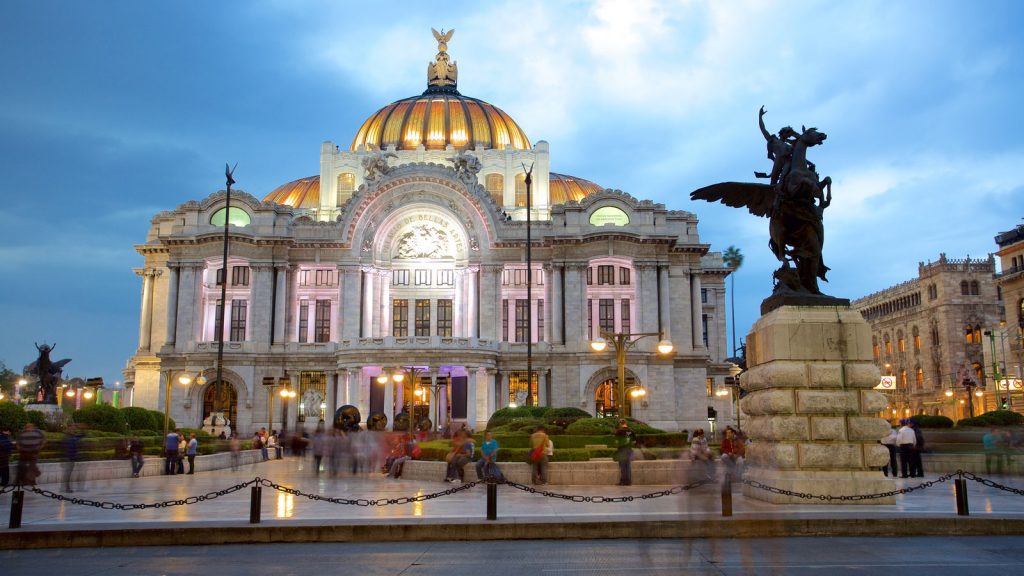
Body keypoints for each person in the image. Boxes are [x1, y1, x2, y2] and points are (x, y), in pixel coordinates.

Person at [613, 419, 636, 486]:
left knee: (622, 466)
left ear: (620, 424)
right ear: (625, 423)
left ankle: (623, 481)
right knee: (628, 466)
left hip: (622, 450)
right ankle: (628, 481)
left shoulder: (619, 431)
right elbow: (634, 442)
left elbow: (616, 442)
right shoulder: (631, 431)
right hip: (629, 450)